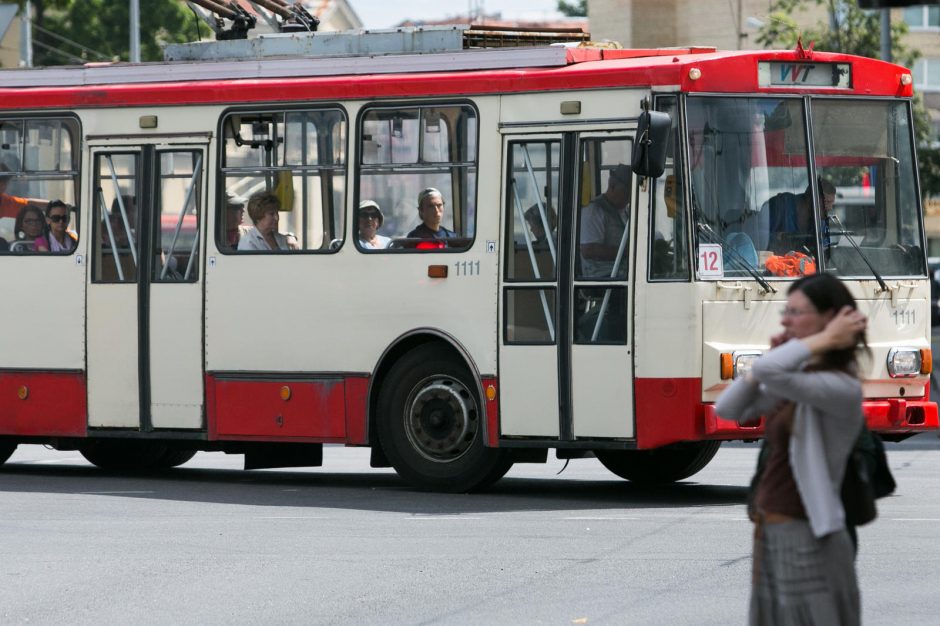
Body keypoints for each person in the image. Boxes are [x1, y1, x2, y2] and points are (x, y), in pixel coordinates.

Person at [715, 273, 867, 625]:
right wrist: (769, 366)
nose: (785, 319)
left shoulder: (839, 386)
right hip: (773, 530)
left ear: (829, 318)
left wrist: (820, 341)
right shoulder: (798, 378)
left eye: (797, 312)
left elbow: (770, 368)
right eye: (786, 310)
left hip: (808, 534)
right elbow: (729, 409)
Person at [579, 163, 630, 279]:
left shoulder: (624, 211)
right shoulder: (593, 211)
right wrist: (627, 252)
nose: (629, 198)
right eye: (626, 193)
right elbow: (588, 250)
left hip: (623, 273)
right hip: (602, 278)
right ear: (612, 186)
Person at [768, 178, 836, 255]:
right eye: (826, 202)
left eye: (832, 203)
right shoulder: (780, 206)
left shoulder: (820, 220)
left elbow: (823, 252)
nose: (830, 208)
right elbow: (760, 237)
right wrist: (779, 238)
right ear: (811, 199)